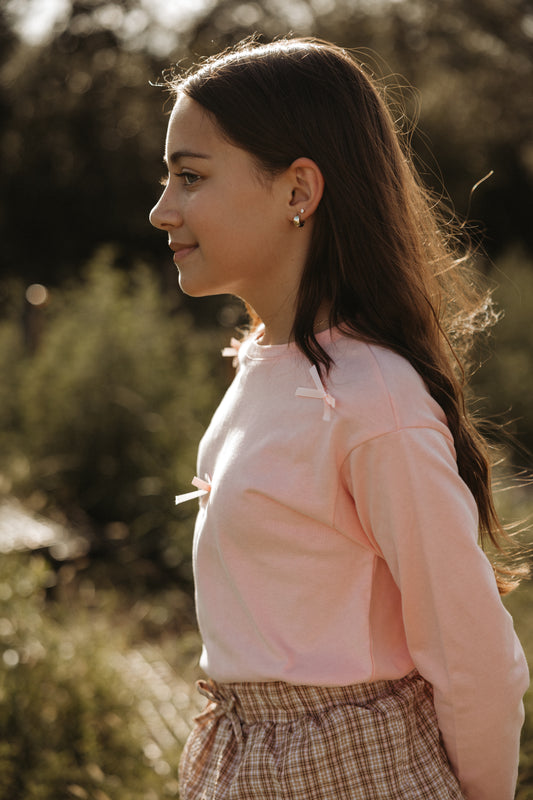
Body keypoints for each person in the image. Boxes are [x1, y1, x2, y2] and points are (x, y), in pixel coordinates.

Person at [149, 37, 529, 800]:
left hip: (356, 771)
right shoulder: (260, 362)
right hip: (242, 756)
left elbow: (469, 652)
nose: (162, 211)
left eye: (190, 177)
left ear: (298, 191)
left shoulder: (371, 397)